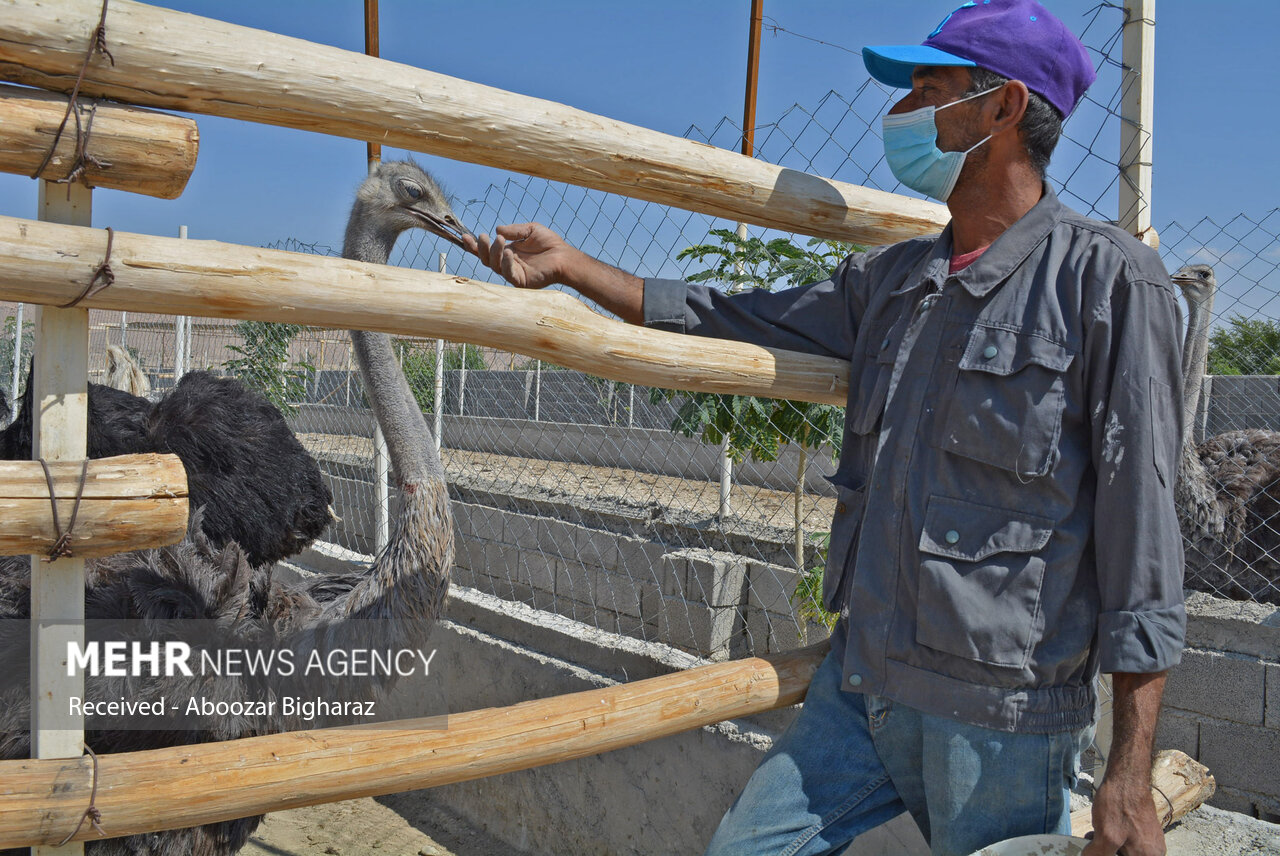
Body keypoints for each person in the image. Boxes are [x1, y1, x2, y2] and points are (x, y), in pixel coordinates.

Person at [463, 1, 1185, 854]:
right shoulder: (894, 281)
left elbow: (1143, 532)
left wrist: (1131, 771)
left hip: (1004, 721)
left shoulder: (1106, 282)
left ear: (1004, 107)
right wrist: (573, 268)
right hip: (862, 690)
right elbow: (725, 313)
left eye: (928, 87)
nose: (901, 112)